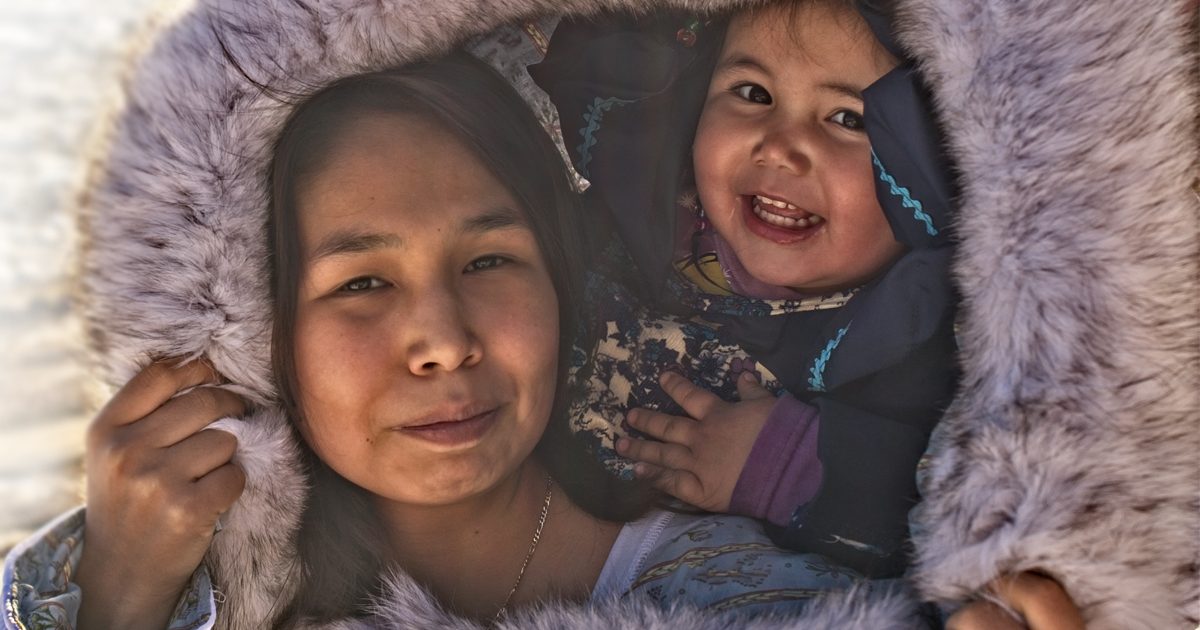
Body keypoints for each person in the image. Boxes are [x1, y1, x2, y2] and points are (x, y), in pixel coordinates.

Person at [3, 52, 905, 630]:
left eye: (488, 262)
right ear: (257, 329)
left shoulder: (753, 604)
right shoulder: (165, 591)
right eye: (362, 283)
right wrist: (117, 600)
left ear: (562, 285)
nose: (441, 342)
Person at [533, 0, 960, 578]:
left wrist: (786, 466)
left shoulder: (921, 343)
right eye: (753, 94)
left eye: (849, 119)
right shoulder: (628, 217)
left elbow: (957, 524)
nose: (780, 146)